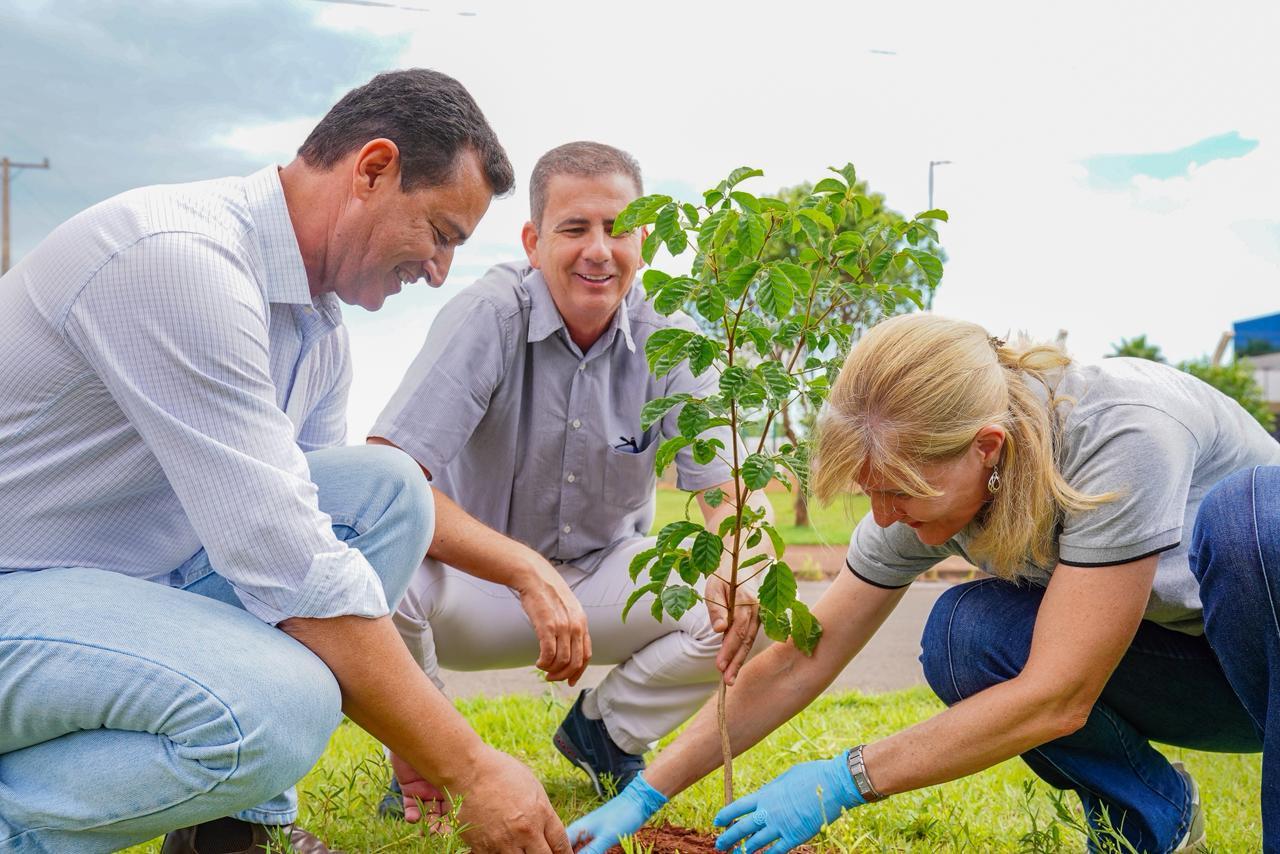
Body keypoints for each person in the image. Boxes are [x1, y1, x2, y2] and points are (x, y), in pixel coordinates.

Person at [0, 69, 577, 854]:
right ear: (373, 169)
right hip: (19, 595)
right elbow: (290, 567)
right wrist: (467, 765)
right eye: (440, 234)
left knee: (386, 493)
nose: (440, 272)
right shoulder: (180, 261)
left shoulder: (319, 330)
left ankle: (230, 838)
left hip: (111, 592)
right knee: (282, 707)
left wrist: (408, 721)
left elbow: (325, 543)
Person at [567, 312, 1280, 854]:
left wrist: (848, 776)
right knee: (962, 635)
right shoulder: (921, 474)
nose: (883, 517)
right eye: (870, 492)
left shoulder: (1122, 432)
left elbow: (1060, 695)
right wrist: (648, 793)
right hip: (1189, 668)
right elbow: (803, 656)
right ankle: (1154, 822)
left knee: (1243, 517)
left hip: (1261, 665)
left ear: (987, 449)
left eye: (898, 495)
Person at [367, 140, 769, 821]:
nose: (598, 250)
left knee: (741, 599)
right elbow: (389, 482)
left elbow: (724, 489)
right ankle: (427, 761)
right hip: (480, 585)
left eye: (618, 229)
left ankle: (606, 734)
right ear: (532, 240)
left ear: (644, 240)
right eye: (575, 228)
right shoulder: (488, 317)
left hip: (600, 580)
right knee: (376, 574)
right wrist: (525, 571)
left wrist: (741, 563)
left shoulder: (671, 336)